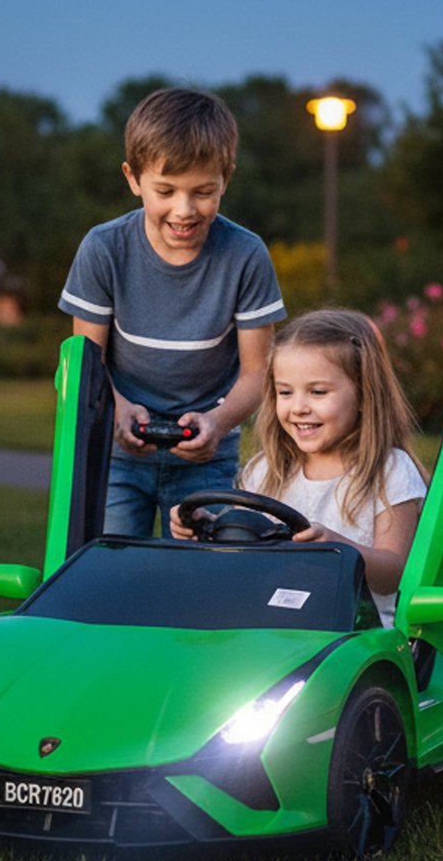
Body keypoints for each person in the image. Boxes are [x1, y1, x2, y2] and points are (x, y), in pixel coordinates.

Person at [58, 86, 286, 537]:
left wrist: (216, 423)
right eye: (165, 191)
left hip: (207, 456)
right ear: (133, 178)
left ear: (226, 179)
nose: (184, 210)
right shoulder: (104, 249)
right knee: (112, 566)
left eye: (203, 192)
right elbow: (87, 366)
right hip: (118, 455)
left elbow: (257, 372)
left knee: (200, 573)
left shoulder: (245, 255)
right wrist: (120, 410)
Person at [173, 308, 427, 625]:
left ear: (364, 394)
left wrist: (339, 551)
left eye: (317, 392)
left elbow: (394, 573)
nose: (298, 408)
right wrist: (210, 530)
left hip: (356, 633)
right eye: (285, 392)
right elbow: (246, 556)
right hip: (273, 625)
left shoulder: (390, 470)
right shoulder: (265, 471)